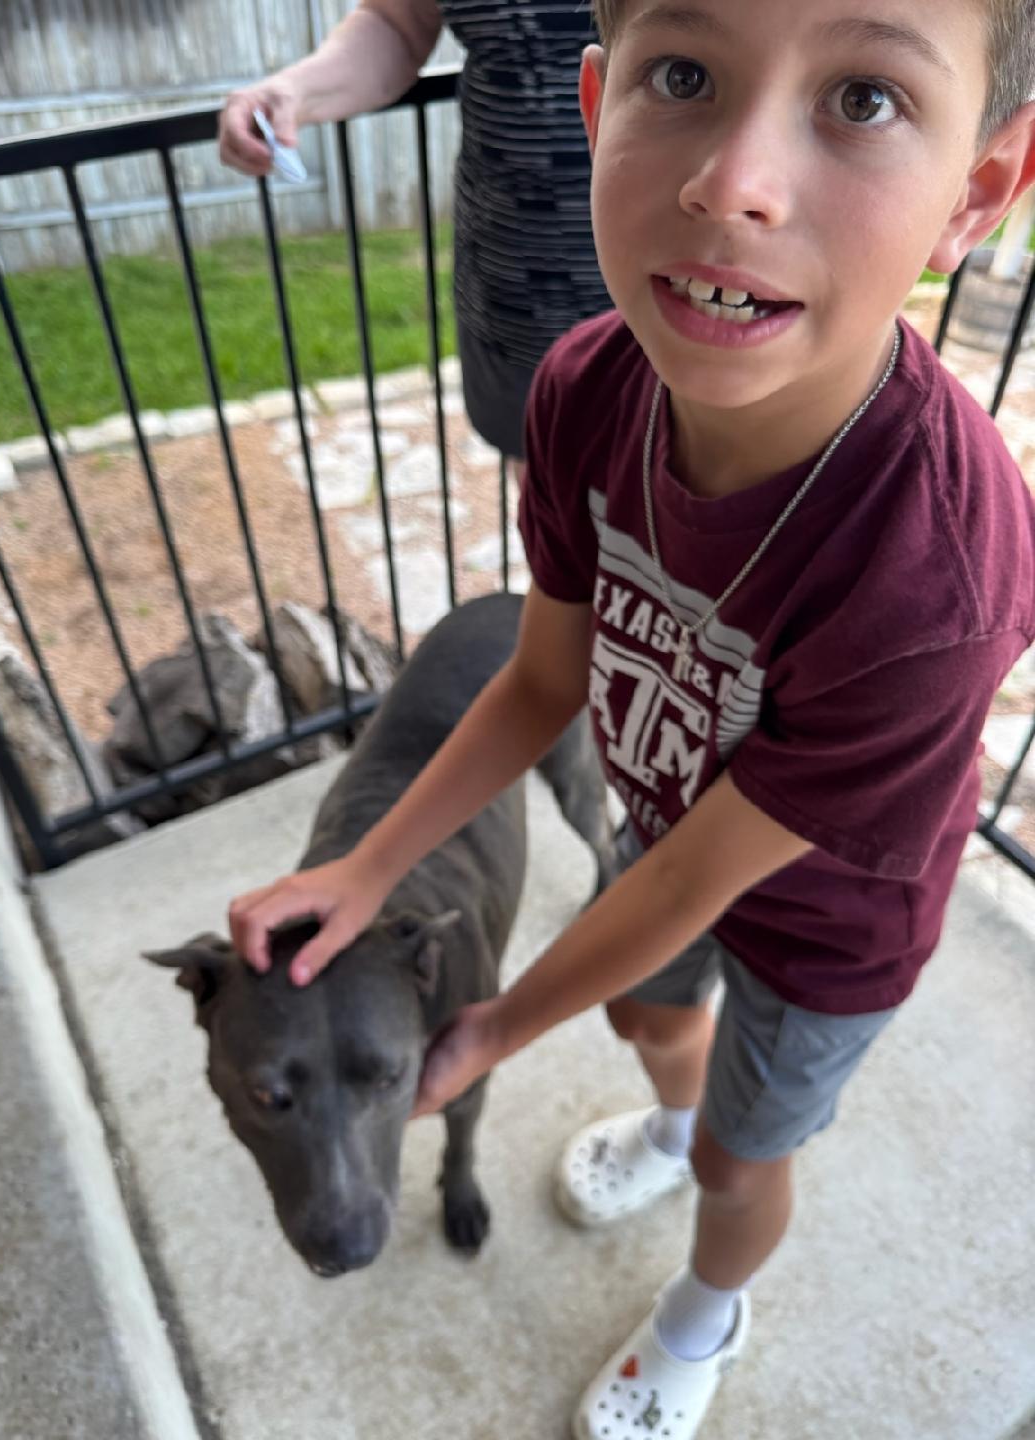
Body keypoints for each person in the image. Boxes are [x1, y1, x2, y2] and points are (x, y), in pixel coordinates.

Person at [228, 0, 1035, 1434]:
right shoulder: (587, 390)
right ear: (597, 106)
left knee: (743, 1159)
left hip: (831, 927)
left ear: (978, 190)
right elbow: (540, 684)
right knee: (649, 1015)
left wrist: (483, 1036)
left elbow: (699, 877)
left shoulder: (939, 571)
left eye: (862, 100)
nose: (733, 180)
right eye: (685, 74)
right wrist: (358, 869)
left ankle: (704, 1307)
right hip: (669, 819)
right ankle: (675, 1119)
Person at [218, 0, 610, 461]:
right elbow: (396, 24)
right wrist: (290, 92)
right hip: (512, 291)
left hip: (684, 283)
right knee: (550, 501)